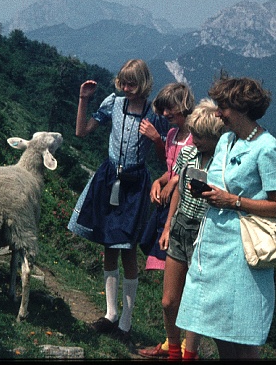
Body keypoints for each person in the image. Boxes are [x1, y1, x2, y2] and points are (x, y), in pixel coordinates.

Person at [175, 76, 276, 360]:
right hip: (213, 243)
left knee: (242, 329)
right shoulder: (226, 140)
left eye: (223, 107)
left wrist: (234, 201)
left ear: (242, 109)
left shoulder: (266, 147)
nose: (217, 113)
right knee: (216, 324)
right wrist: (207, 191)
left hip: (242, 249)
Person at [67, 59, 169, 345]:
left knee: (128, 249)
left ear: (144, 84)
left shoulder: (154, 114)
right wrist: (83, 100)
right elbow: (81, 131)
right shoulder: (114, 103)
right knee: (108, 244)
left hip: (135, 185)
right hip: (110, 176)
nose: (126, 88)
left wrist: (157, 140)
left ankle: (126, 322)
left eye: (132, 83)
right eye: (123, 82)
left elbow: (166, 160)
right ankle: (111, 314)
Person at [139, 99, 226, 361]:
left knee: (195, 300)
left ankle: (190, 354)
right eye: (194, 134)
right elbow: (177, 187)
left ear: (215, 136)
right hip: (180, 227)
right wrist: (167, 227)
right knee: (169, 301)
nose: (195, 140)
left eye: (200, 136)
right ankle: (173, 350)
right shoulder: (189, 154)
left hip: (205, 231)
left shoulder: (223, 163)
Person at [140, 82, 195, 271]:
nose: (165, 113)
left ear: (183, 105)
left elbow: (191, 171)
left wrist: (173, 181)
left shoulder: (196, 137)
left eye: (169, 108)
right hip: (166, 203)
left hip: (183, 205)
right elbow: (171, 168)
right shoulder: (172, 134)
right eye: (163, 109)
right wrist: (160, 181)